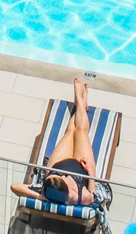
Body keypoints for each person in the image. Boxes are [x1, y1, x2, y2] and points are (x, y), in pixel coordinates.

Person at [11, 78, 101, 209]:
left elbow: (14, 187)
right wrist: (91, 172)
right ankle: (80, 101)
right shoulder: (82, 197)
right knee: (80, 130)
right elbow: (94, 196)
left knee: (69, 132)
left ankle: (79, 105)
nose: (64, 175)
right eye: (63, 178)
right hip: (82, 168)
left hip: (58, 164)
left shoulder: (46, 192)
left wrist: (41, 197)